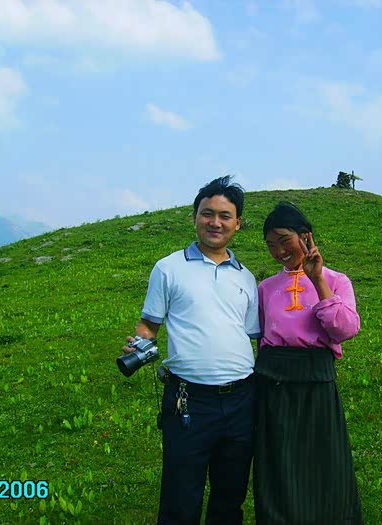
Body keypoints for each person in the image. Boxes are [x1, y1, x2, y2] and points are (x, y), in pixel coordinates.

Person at [122, 176, 260, 525]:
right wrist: (140, 342)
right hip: (188, 400)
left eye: (225, 216)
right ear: (194, 217)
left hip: (242, 400)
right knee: (180, 498)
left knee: (230, 496)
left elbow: (254, 336)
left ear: (238, 224)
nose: (215, 222)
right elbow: (148, 324)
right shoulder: (169, 268)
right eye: (207, 213)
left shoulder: (246, 277)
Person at [253, 201, 363, 525]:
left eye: (284, 241)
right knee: (278, 462)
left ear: (306, 237)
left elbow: (345, 330)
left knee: (323, 461)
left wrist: (318, 281)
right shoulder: (266, 288)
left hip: (316, 380)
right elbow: (261, 337)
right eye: (270, 245)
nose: (278, 251)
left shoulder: (336, 280)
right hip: (274, 382)